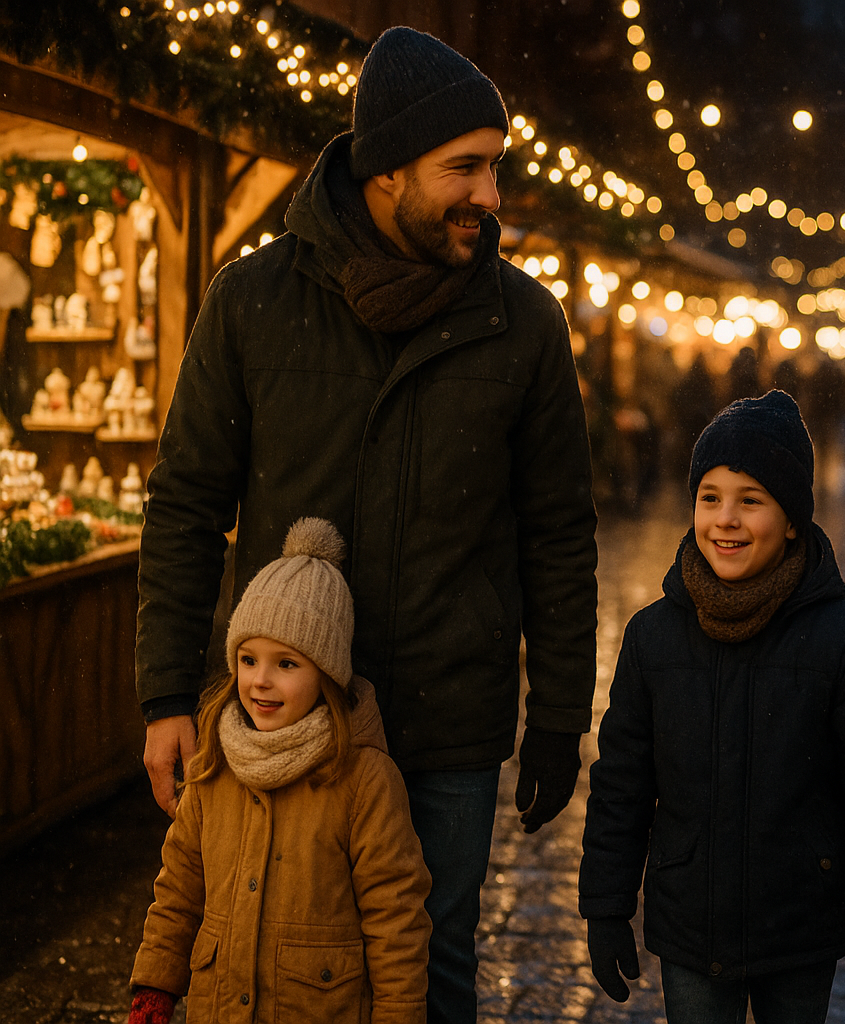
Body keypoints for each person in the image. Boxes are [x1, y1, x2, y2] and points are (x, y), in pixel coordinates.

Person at [134, 27, 599, 1024]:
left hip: (448, 718)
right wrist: (169, 690)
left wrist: (559, 712)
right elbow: (185, 501)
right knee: (270, 962)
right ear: (386, 168)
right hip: (281, 722)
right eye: (464, 168)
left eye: (496, 168)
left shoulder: (524, 323)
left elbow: (558, 528)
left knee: (432, 967)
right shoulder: (254, 301)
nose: (492, 194)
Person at [579, 391, 845, 1023]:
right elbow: (622, 783)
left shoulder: (842, 640)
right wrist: (606, 905)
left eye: (751, 500)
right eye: (710, 497)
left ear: (791, 519)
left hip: (798, 923)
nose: (725, 520)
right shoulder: (653, 638)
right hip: (689, 926)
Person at [129, 519, 433, 1024]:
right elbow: (179, 887)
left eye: (287, 664)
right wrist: (155, 986)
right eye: (248, 660)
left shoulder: (364, 779)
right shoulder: (215, 763)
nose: (261, 681)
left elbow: (396, 919)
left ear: (327, 672)